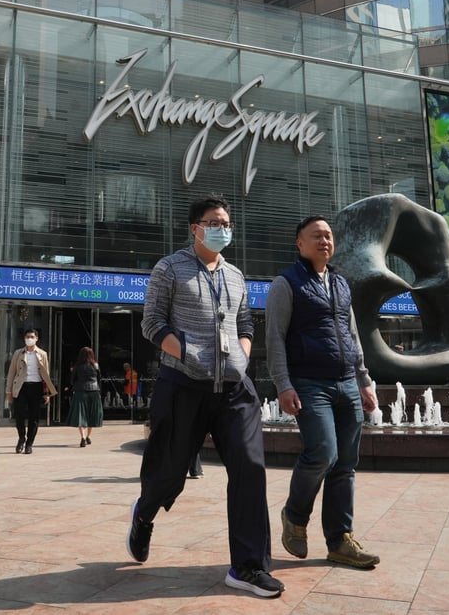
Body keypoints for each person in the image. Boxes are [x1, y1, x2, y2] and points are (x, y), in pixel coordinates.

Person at [127, 193, 284, 599]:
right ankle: (144, 515)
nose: (223, 230)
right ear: (195, 228)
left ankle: (248, 567)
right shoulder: (170, 268)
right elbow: (152, 324)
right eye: (215, 223)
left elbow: (246, 322)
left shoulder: (235, 274)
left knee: (250, 468)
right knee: (169, 472)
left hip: (234, 389)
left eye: (228, 224)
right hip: (183, 385)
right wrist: (191, 355)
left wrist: (243, 358)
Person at [265, 215, 380, 570]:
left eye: (328, 236)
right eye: (316, 236)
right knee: (322, 453)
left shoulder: (341, 285)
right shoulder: (287, 283)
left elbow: (353, 337)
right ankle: (295, 516)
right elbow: (274, 339)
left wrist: (364, 381)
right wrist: (283, 385)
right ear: (300, 244)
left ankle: (340, 540)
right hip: (310, 383)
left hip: (347, 381)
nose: (324, 241)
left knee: (345, 465)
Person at [5, 328, 57, 454]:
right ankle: (21, 438)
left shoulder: (42, 354)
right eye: (27, 336)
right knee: (19, 415)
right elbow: (12, 372)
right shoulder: (18, 353)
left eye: (32, 336)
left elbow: (46, 375)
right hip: (21, 387)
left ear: (36, 338)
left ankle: (29, 443)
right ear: (24, 338)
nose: (29, 339)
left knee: (34, 417)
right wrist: (9, 391)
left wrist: (47, 393)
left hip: (37, 387)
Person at [67, 346, 103, 446]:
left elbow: (72, 380)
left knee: (81, 415)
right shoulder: (95, 365)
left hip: (80, 391)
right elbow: (99, 378)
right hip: (94, 391)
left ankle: (82, 437)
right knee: (91, 415)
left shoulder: (77, 366)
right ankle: (89, 436)